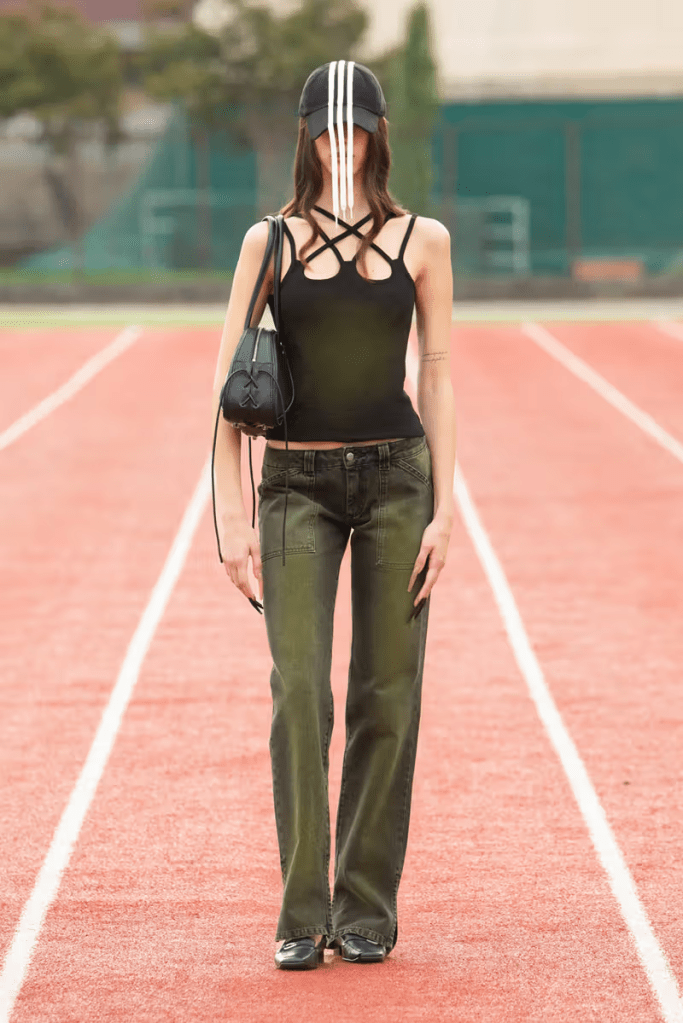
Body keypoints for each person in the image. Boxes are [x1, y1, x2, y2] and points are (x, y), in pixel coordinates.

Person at [211, 60, 455, 969]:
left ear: (379, 134)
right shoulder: (265, 241)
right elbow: (227, 385)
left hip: (399, 480)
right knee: (300, 694)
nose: (342, 144)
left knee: (388, 694)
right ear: (307, 135)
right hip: (293, 488)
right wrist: (228, 516)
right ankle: (300, 910)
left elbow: (437, 373)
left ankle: (365, 907)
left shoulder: (422, 238)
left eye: (358, 130)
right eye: (328, 130)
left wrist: (445, 510)